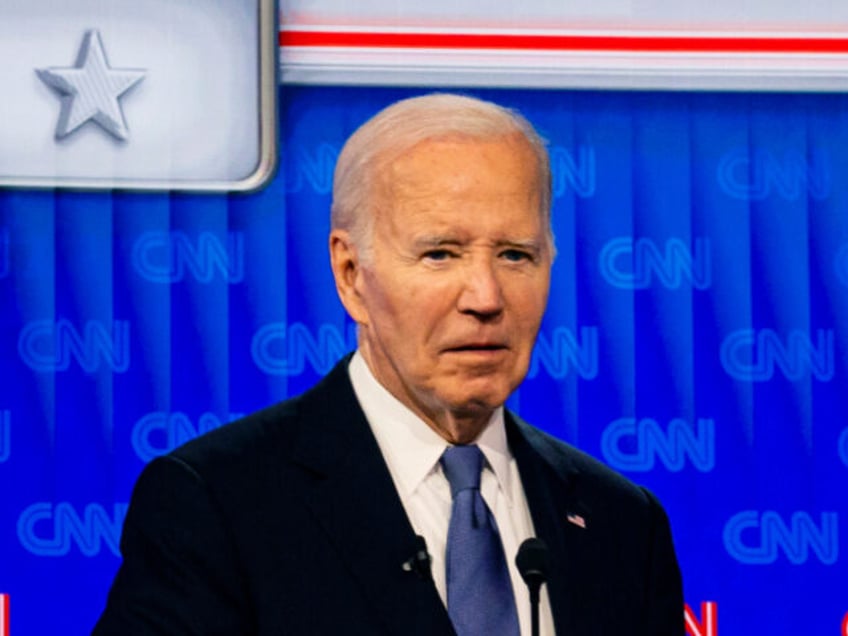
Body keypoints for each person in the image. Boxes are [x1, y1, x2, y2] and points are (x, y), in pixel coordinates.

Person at [93, 94, 684, 635]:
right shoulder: (217, 506)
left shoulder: (622, 523)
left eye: (514, 254)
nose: (485, 296)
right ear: (351, 276)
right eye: (440, 254)